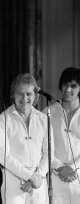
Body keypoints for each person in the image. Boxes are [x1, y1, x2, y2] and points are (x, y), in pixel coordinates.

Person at [0, 73, 52, 204]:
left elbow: (49, 152)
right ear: (13, 94)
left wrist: (37, 176)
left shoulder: (44, 119)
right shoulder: (3, 119)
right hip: (14, 184)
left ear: (35, 96)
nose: (24, 98)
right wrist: (29, 176)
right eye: (20, 93)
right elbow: (3, 155)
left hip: (39, 183)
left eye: (29, 93)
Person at [42, 67, 80, 204]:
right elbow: (43, 146)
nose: (68, 89)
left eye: (73, 86)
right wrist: (60, 167)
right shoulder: (47, 112)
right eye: (65, 84)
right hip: (56, 177)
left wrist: (74, 169)